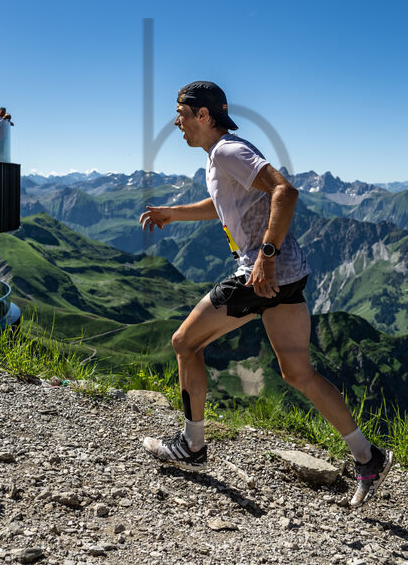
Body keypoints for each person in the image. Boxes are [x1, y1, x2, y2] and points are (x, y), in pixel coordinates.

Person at [138, 81, 393, 506]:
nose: (175, 122)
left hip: (263, 274)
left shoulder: (226, 151)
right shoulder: (221, 157)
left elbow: (285, 191)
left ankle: (192, 445)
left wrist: (266, 256)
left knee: (184, 342)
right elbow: (222, 204)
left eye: (180, 113)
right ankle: (369, 457)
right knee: (298, 373)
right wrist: (173, 214)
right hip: (289, 276)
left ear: (204, 115)